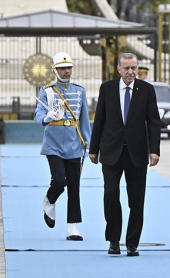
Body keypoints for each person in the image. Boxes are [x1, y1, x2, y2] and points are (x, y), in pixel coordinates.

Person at [89, 53, 161, 257]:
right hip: (111, 151)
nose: (131, 72)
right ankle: (113, 240)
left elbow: (154, 122)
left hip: (137, 153)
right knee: (111, 194)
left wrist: (154, 150)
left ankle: (132, 243)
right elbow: (100, 120)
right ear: (119, 69)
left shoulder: (146, 90)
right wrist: (94, 149)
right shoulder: (107, 88)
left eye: (134, 68)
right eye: (127, 68)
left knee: (136, 199)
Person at [34, 53, 91, 240]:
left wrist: (87, 143)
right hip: (54, 144)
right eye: (62, 68)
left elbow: (84, 120)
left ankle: (72, 226)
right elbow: (38, 113)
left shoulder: (80, 91)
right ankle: (49, 200)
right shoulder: (47, 91)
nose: (67, 71)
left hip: (74, 143)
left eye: (69, 68)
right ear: (55, 70)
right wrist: (46, 118)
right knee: (59, 180)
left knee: (74, 186)